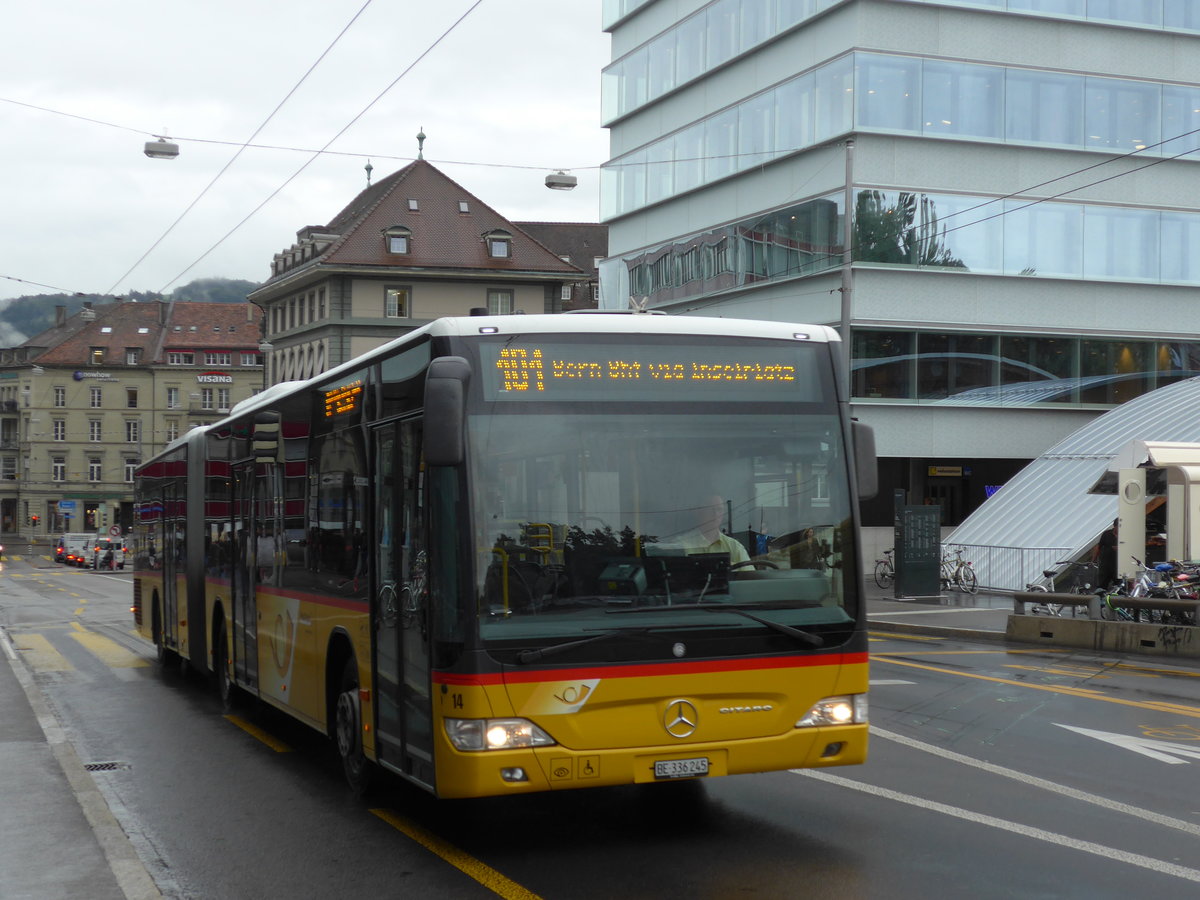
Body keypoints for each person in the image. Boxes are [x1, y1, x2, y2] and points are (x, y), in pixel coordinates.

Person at [673, 495, 750, 564]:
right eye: (710, 509)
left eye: (719, 510)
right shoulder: (680, 545)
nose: (715, 514)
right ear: (698, 512)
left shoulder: (735, 547)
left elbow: (749, 574)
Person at [1094, 518, 1118, 590]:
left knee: (1119, 588)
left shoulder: (1126, 535)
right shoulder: (1106, 534)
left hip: (1118, 567)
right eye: (1118, 527)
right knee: (1102, 587)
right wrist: (1093, 560)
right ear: (1114, 526)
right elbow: (1099, 547)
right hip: (1106, 566)